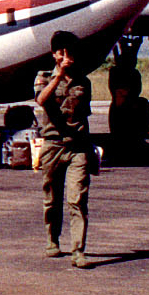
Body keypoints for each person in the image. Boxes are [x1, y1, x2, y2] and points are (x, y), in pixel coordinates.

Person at [36, 31, 96, 268]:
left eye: (70, 53)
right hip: (52, 146)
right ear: (54, 54)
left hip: (77, 147)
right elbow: (41, 100)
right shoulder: (43, 77)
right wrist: (58, 75)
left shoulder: (84, 82)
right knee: (51, 199)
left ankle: (78, 251)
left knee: (77, 199)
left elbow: (85, 115)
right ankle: (52, 240)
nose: (66, 57)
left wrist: (90, 148)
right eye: (61, 53)